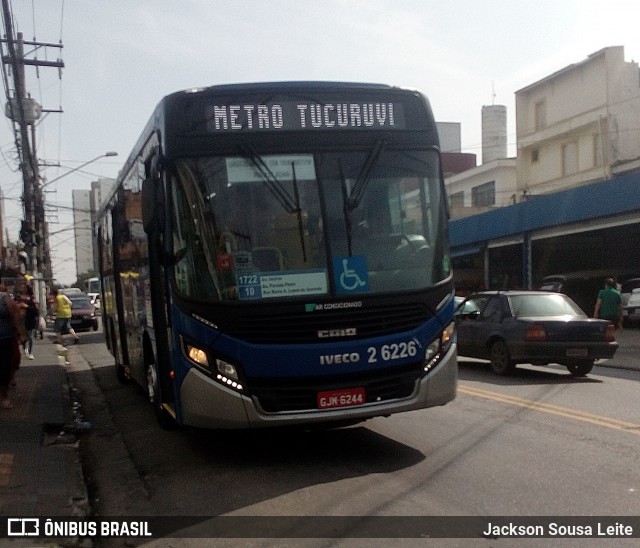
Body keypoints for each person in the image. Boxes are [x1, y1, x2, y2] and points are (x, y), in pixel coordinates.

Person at [0, 281, 27, 409]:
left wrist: (21, 334)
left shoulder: (5, 299)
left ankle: (4, 396)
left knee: (5, 367)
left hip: (4, 339)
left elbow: (16, 316)